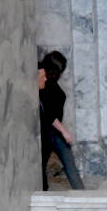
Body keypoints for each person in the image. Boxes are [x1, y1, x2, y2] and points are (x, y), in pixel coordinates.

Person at [38, 53, 84, 191]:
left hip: (49, 133)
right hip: (51, 133)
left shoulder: (45, 81)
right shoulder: (54, 90)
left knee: (43, 167)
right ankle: (82, 195)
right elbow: (50, 116)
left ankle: (81, 194)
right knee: (69, 166)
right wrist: (64, 131)